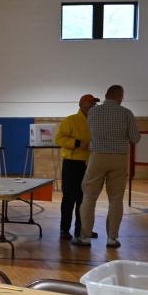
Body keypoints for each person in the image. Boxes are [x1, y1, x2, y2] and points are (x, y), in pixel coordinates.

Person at [73, 85, 140, 248]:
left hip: (97, 156)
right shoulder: (126, 113)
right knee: (116, 199)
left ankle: (85, 236)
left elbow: (91, 131)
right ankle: (112, 239)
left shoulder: (94, 112)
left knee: (89, 197)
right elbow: (135, 138)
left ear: (106, 96)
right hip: (119, 158)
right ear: (120, 96)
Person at [54, 94, 100, 241]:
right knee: (69, 198)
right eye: (91, 102)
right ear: (82, 104)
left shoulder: (96, 121)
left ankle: (82, 229)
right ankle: (64, 230)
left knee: (84, 199)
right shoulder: (71, 120)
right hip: (72, 163)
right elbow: (59, 138)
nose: (94, 105)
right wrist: (77, 143)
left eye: (95, 103)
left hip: (90, 164)